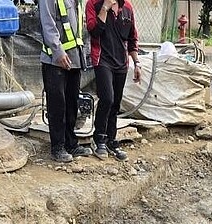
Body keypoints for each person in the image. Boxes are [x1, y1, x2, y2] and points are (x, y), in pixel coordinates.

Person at [87, 0, 141, 161]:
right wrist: (104, 8)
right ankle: (99, 139)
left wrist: (137, 63)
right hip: (102, 60)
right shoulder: (93, 4)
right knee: (107, 98)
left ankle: (111, 139)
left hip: (121, 62)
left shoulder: (127, 8)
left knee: (115, 102)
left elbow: (132, 38)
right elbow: (94, 31)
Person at [40, 0, 93, 162]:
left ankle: (71, 143)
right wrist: (58, 51)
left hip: (74, 59)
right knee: (57, 106)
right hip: (55, 60)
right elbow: (48, 25)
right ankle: (58, 147)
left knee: (71, 104)